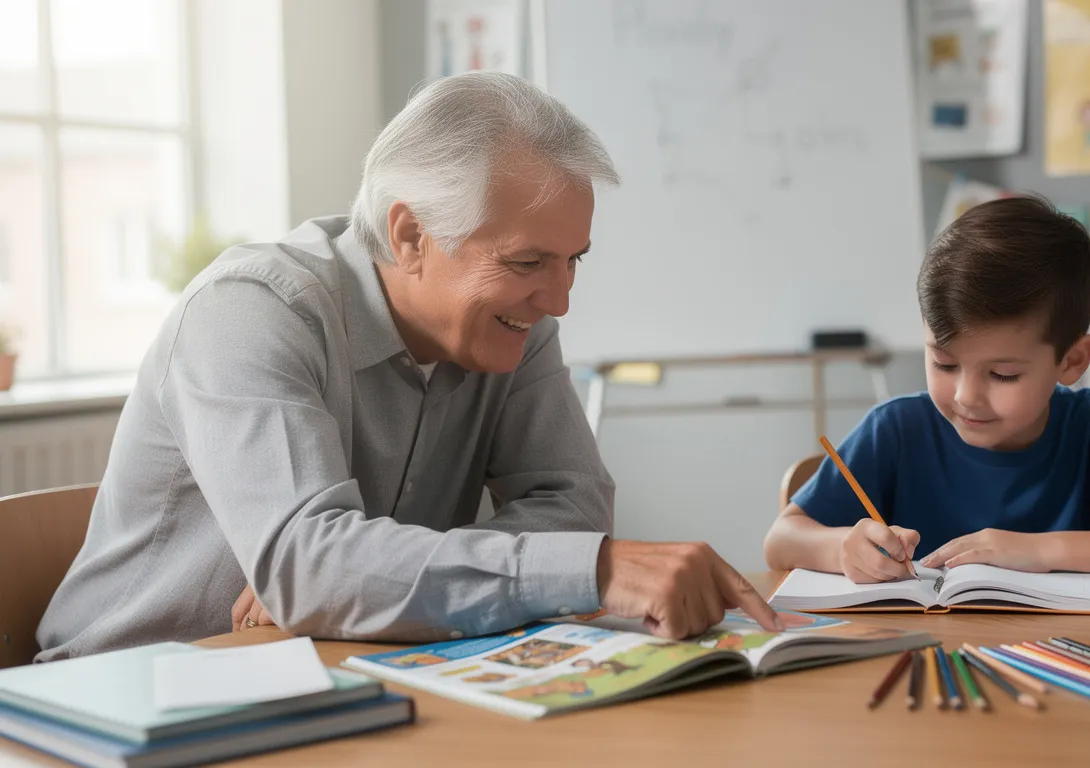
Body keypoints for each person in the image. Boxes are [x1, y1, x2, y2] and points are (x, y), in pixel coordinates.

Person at [38, 72, 780, 662]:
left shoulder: (514, 324)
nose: (558, 299)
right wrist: (590, 570)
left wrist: (351, 580)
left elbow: (574, 502)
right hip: (123, 693)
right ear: (411, 235)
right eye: (527, 262)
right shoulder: (250, 311)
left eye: (572, 261)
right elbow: (311, 566)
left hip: (326, 674)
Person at [763, 196, 1090, 583]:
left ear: (1072, 361)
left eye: (1004, 374)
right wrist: (842, 548)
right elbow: (781, 541)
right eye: (944, 363)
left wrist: (1040, 551)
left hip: (1066, 659)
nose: (965, 396)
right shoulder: (895, 429)